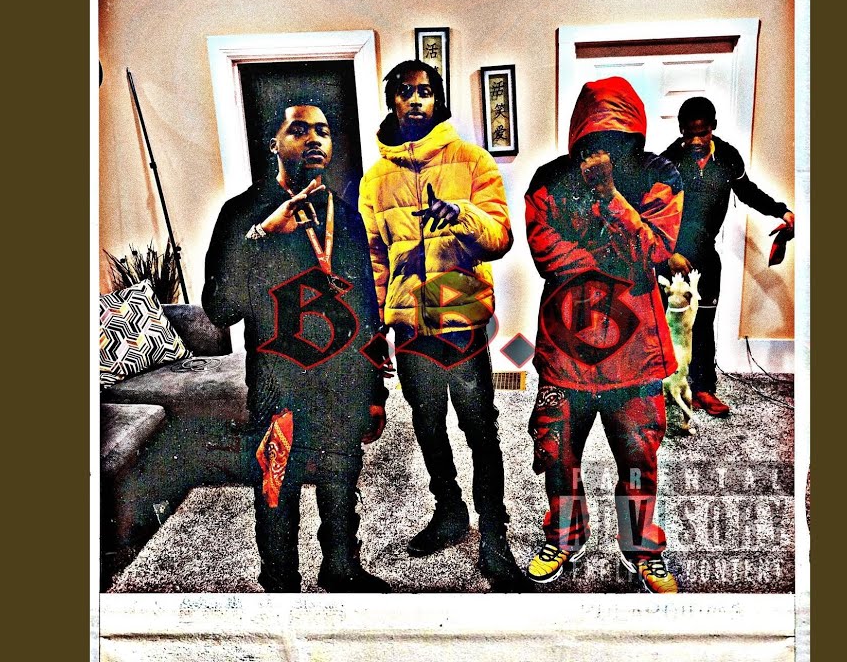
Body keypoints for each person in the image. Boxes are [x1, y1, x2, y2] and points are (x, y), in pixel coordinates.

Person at [202, 101, 392, 593]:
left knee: (341, 477)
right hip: (278, 384)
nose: (314, 140)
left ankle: (341, 567)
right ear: (274, 143)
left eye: (322, 131)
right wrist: (263, 235)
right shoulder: (241, 214)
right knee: (275, 485)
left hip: (342, 380)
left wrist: (375, 392)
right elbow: (220, 309)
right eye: (299, 130)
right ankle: (279, 581)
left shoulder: (345, 216)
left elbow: (366, 307)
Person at [357, 60, 528, 591]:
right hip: (409, 329)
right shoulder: (374, 180)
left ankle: (494, 534)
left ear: (438, 100)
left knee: (480, 429)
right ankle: (449, 511)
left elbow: (501, 238)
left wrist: (462, 216)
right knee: (427, 426)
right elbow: (374, 260)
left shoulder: (473, 161)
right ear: (392, 100)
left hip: (462, 322)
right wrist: (377, 327)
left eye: (426, 91)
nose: (415, 100)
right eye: (405, 92)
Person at [523, 76, 688, 593]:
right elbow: (546, 255)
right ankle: (563, 538)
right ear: (578, 137)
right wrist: (612, 258)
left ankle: (641, 548)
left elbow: (653, 252)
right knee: (556, 452)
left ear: (635, 137)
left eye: (617, 140)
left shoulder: (659, 175)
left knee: (639, 456)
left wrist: (610, 195)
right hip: (564, 351)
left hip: (635, 355)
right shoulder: (548, 179)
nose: (604, 150)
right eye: (595, 140)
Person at [661, 96, 796, 417]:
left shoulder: (727, 158)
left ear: (713, 127)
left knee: (704, 323)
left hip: (706, 256)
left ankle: (703, 390)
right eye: (689, 134)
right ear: (680, 130)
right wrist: (669, 253)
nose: (696, 141)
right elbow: (653, 212)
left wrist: (782, 211)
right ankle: (667, 389)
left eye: (703, 133)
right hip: (673, 256)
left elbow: (747, 192)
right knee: (670, 325)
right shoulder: (668, 162)